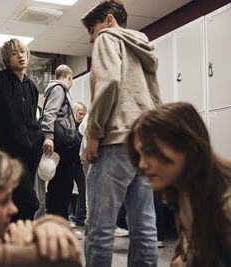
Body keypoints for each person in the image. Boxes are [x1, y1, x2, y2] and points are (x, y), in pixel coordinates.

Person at [81, 0, 161, 266]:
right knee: (144, 229)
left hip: (115, 141)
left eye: (92, 30)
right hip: (144, 143)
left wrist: (94, 133)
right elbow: (155, 97)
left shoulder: (107, 37)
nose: (92, 39)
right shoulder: (142, 47)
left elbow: (109, 82)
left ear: (109, 21)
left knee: (101, 228)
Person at [127, 102, 231, 267]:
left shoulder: (226, 206)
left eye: (150, 152)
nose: (141, 165)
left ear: (188, 146)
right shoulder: (185, 192)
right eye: (139, 154)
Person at [0, 22, 44, 220]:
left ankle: (19, 238)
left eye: (23, 52)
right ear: (7, 58)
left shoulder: (31, 85)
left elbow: (32, 117)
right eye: (15, 53)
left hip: (33, 151)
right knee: (31, 201)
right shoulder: (0, 81)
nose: (21, 56)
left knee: (19, 200)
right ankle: (20, 237)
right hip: (13, 153)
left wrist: (39, 138)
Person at [39, 65, 77, 219]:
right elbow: (50, 113)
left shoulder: (54, 89)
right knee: (63, 186)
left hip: (58, 142)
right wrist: (48, 136)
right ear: (69, 77)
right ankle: (58, 223)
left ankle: (57, 222)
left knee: (59, 185)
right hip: (61, 143)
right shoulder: (59, 89)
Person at [68, 101, 87, 226]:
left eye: (84, 115)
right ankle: (69, 217)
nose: (82, 117)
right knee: (67, 189)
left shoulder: (83, 127)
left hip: (78, 162)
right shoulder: (69, 125)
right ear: (74, 112)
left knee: (83, 189)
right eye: (80, 114)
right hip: (70, 161)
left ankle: (80, 217)